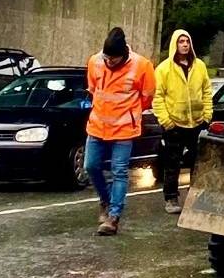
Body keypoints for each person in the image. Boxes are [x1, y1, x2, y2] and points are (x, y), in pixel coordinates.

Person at [85, 27, 155, 236]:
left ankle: (114, 216)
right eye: (107, 57)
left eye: (113, 59)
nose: (109, 62)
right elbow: (92, 90)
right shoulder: (94, 61)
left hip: (125, 128)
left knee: (119, 171)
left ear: (124, 53)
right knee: (91, 166)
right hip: (97, 125)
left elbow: (147, 97)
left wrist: (131, 113)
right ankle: (105, 200)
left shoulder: (142, 66)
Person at [153, 29, 210, 215]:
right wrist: (166, 121)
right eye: (181, 41)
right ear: (174, 44)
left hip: (197, 122)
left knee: (197, 162)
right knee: (172, 163)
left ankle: (195, 197)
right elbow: (158, 97)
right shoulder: (164, 69)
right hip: (174, 123)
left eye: (187, 41)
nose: (185, 44)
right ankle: (171, 198)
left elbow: (207, 90)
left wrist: (207, 115)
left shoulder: (199, 66)